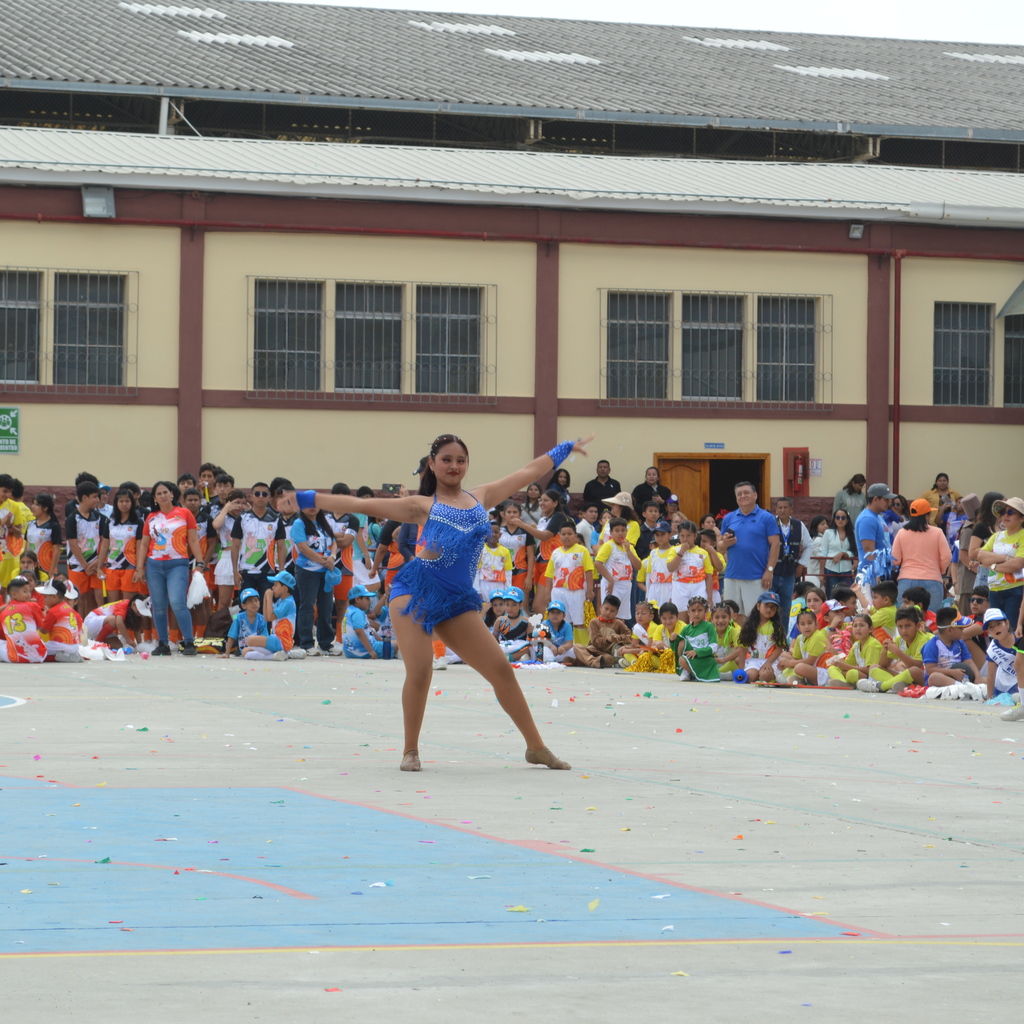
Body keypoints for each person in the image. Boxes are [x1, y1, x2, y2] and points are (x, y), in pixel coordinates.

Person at [278, 432, 591, 772]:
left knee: (501, 669)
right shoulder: (422, 505)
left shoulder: (482, 497)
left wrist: (564, 449)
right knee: (421, 669)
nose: (454, 466)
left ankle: (536, 748)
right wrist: (305, 497)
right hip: (415, 591)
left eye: (460, 460)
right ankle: (410, 750)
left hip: (456, 599)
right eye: (446, 460)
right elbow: (361, 505)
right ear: (432, 464)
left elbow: (529, 472)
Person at [134, 481, 206, 657]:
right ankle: (163, 643)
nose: (163, 496)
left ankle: (189, 642)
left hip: (178, 564)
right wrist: (139, 567)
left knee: (177, 602)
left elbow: (193, 540)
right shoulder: (151, 517)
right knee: (158, 606)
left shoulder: (185, 513)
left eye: (165, 492)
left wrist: (200, 562)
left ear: (172, 494)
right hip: (154, 566)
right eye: (159, 494)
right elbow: (144, 544)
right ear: (155, 498)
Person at [717, 482, 780, 618]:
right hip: (732, 575)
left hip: (757, 576)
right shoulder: (729, 518)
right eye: (739, 494)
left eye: (746, 492)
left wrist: (769, 570)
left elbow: (775, 544)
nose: (743, 496)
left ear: (755, 495)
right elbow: (720, 547)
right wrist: (725, 543)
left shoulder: (766, 518)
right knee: (732, 616)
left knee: (756, 616)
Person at [291, 502, 337, 656]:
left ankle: (326, 644)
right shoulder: (299, 524)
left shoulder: (326, 522)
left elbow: (334, 542)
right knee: (307, 605)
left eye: (315, 504)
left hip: (326, 571)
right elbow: (303, 548)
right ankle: (306, 643)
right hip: (307, 570)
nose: (312, 507)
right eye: (308, 504)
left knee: (326, 607)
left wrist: (332, 557)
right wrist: (323, 560)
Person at [890, 498, 952, 612]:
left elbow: (895, 560)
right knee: (931, 618)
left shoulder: (901, 533)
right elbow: (947, 556)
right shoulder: (937, 532)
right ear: (927, 516)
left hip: (906, 579)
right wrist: (940, 570)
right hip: (933, 579)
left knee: (905, 617)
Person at [232, 482, 286, 603]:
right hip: (245, 571)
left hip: (268, 572)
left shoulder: (276, 519)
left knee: (267, 606)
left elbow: (281, 547)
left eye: (264, 494)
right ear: (251, 497)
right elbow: (235, 546)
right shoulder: (242, 518)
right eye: (257, 494)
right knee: (246, 605)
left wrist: (281, 570)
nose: (260, 497)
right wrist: (235, 571)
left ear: (269, 497)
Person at [64, 480, 109, 615]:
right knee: (80, 598)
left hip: (96, 564)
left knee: (97, 597)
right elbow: (73, 544)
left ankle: (94, 624)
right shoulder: (72, 519)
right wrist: (85, 565)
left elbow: (105, 542)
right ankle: (81, 624)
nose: (98, 499)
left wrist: (98, 561)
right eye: (95, 497)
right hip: (78, 564)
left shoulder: (101, 518)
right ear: (84, 498)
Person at [545, 521, 594, 637]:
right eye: (563, 534)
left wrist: (590, 590)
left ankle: (581, 646)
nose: (566, 537)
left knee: (579, 621)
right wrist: (547, 592)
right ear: (559, 536)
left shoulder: (582, 550)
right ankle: (563, 643)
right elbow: (549, 574)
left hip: (577, 591)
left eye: (569, 534)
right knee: (560, 620)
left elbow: (589, 571)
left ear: (575, 536)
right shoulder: (556, 553)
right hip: (558, 591)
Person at [240, 570, 302, 661]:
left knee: (250, 640)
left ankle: (277, 655)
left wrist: (269, 598)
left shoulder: (288, 602)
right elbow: (266, 618)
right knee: (245, 651)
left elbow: (270, 616)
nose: (273, 588)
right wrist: (265, 598)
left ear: (284, 588)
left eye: (275, 585)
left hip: (281, 641)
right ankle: (284, 654)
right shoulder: (281, 601)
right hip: (275, 639)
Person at [771, 497, 810, 623]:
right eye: (780, 508)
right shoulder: (770, 523)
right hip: (772, 573)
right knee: (769, 605)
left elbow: (810, 545)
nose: (782, 510)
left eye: (785, 507)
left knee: (785, 608)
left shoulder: (798, 525)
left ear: (791, 509)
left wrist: (801, 564)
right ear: (776, 510)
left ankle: (783, 634)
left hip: (789, 573)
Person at [737, 590, 788, 684]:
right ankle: (758, 675)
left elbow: (779, 648)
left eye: (772, 607)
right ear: (758, 606)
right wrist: (741, 669)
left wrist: (769, 662)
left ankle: (772, 677)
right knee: (750, 676)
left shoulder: (777, 627)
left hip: (771, 661)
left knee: (765, 676)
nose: (769, 609)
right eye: (766, 605)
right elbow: (743, 649)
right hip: (754, 661)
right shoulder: (749, 626)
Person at [103, 488, 144, 603]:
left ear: (132, 502)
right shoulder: (110, 521)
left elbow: (140, 547)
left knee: (127, 604)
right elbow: (105, 545)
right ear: (116, 503)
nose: (124, 504)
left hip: (130, 567)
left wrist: (139, 569)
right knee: (113, 604)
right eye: (121, 501)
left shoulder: (138, 522)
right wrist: (99, 567)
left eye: (127, 501)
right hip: (112, 567)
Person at [571, 593, 632, 668]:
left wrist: (619, 637)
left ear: (616, 613)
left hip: (605, 654)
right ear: (601, 607)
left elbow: (630, 636)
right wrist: (608, 639)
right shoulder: (594, 622)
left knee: (609, 659)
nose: (608, 613)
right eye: (606, 609)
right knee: (577, 647)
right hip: (592, 650)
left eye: (612, 611)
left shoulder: (619, 623)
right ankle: (593, 662)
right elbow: (596, 642)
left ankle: (578, 661)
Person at [0, 575, 47, 663]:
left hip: (16, 657)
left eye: (29, 591)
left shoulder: (3, 612)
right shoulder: (33, 605)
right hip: (40, 655)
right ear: (14, 594)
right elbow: (40, 627)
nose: (29, 595)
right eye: (25, 591)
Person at [38, 578, 84, 662]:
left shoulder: (53, 611)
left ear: (54, 596)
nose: (44, 600)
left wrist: (36, 621)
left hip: (59, 645)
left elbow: (44, 631)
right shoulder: (72, 611)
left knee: (35, 650)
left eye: (45, 597)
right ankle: (70, 655)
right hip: (74, 646)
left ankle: (59, 656)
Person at [854, 482, 895, 572]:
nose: (889, 502)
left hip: (880, 571)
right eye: (886, 500)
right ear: (875, 499)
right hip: (871, 574)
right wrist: (876, 573)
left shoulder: (877, 517)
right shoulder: (867, 519)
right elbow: (869, 550)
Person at [816, 509, 857, 598]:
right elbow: (823, 552)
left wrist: (843, 554)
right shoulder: (828, 533)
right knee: (832, 595)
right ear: (834, 519)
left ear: (847, 520)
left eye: (843, 518)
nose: (840, 520)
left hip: (846, 569)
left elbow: (854, 551)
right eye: (838, 517)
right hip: (831, 568)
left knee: (847, 595)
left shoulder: (852, 533)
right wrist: (822, 573)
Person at [343, 583, 389, 659]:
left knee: (387, 642)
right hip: (363, 651)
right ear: (358, 599)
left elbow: (369, 629)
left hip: (349, 651)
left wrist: (380, 640)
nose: (369, 601)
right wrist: (371, 651)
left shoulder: (350, 610)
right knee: (397, 645)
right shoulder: (357, 613)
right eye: (367, 598)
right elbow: (359, 631)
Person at [220, 588, 267, 658]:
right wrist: (227, 653)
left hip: (259, 648)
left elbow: (265, 638)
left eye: (256, 600)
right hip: (244, 649)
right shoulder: (238, 617)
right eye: (250, 601)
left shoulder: (263, 619)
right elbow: (232, 636)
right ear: (243, 606)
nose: (254, 603)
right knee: (247, 653)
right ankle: (272, 656)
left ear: (259, 603)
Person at [26, 493, 62, 581]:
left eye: (36, 504)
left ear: (45, 508)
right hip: (30, 567)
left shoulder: (53, 526)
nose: (32, 507)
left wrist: (51, 571)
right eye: (32, 504)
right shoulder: (30, 524)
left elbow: (57, 550)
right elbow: (27, 546)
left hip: (46, 567)